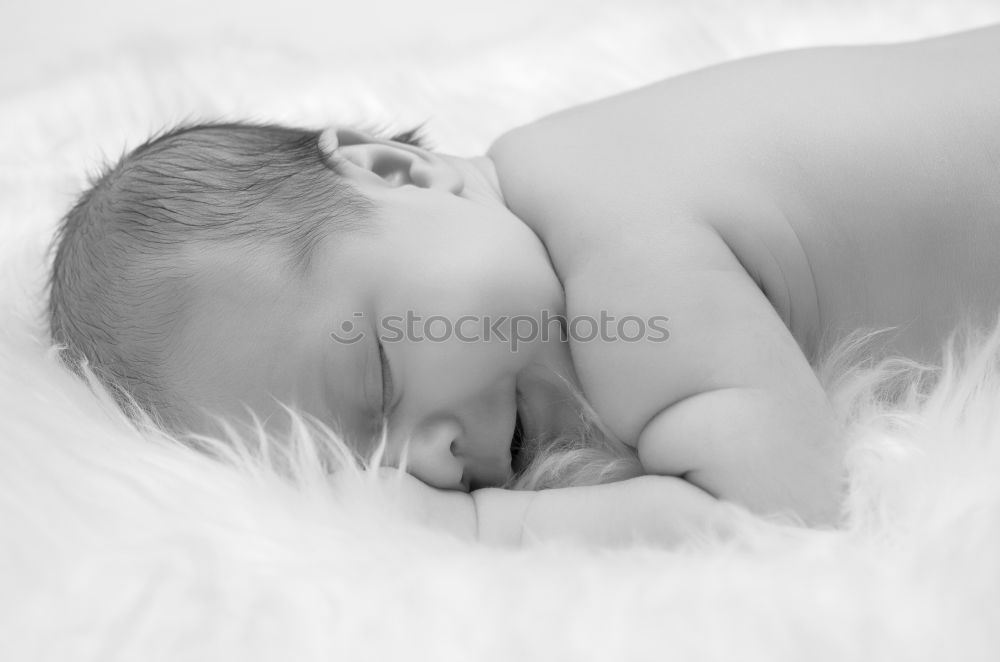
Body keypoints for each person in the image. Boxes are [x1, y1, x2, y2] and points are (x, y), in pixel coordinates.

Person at [47, 23, 1000, 546]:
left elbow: (776, 511)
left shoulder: (622, 257)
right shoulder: (554, 179)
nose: (422, 464)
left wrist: (485, 527)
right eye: (362, 464)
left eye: (375, 380)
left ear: (398, 172)